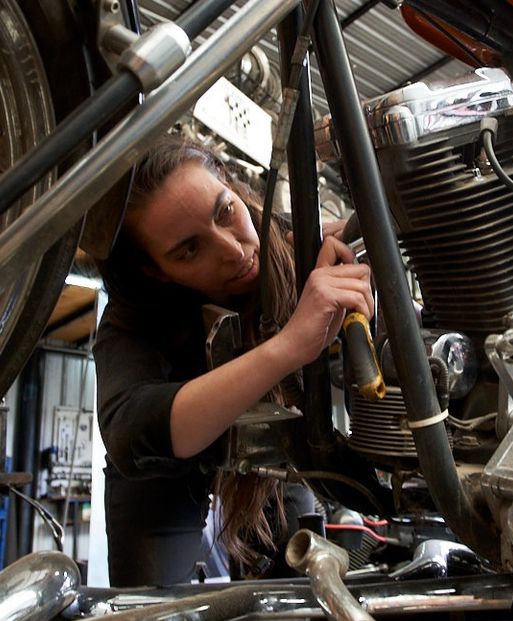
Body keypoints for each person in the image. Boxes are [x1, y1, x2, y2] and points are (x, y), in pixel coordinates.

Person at [89, 136, 373, 586]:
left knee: (302, 592)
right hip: (166, 470)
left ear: (228, 182)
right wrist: (288, 346)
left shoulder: (293, 243)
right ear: (154, 270)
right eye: (189, 250)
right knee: (153, 611)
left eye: (225, 212)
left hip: (277, 442)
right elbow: (130, 432)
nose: (235, 251)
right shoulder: (133, 320)